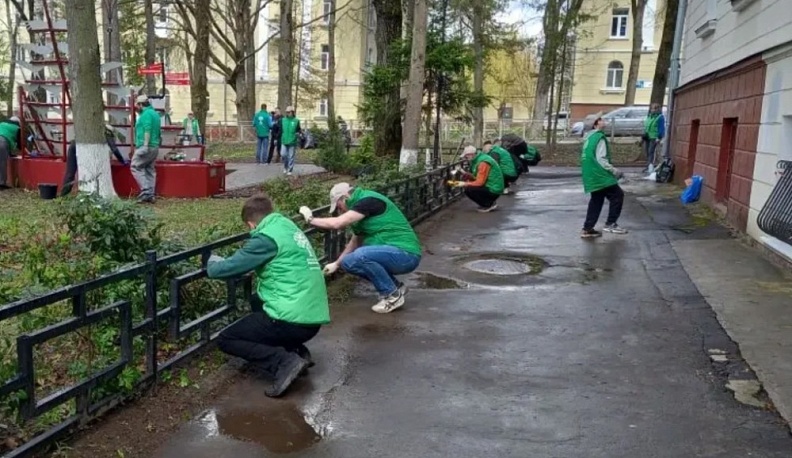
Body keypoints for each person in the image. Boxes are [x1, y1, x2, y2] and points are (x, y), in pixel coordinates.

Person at [207, 194, 329, 397]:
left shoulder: (266, 238)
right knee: (257, 301)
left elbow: (222, 270)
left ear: (251, 223)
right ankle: (296, 351)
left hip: (291, 320)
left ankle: (284, 362)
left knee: (226, 339)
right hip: (312, 316)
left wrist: (212, 260)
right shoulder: (287, 227)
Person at [298, 182, 422, 314]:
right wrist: (337, 263)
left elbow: (338, 223)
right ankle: (396, 287)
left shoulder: (367, 201)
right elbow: (355, 241)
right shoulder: (360, 213)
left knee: (360, 255)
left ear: (345, 197)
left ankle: (392, 296)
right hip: (396, 255)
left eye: (339, 206)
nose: (339, 210)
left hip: (406, 254)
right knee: (348, 262)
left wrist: (310, 219)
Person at [580, 117, 627, 238]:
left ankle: (587, 228)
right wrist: (615, 171)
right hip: (600, 174)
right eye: (600, 120)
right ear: (595, 125)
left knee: (596, 199)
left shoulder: (589, 138)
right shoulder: (599, 137)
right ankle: (611, 223)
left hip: (590, 173)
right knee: (617, 195)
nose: (603, 120)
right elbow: (601, 159)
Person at [60, 125, 128, 197]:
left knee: (70, 173)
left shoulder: (94, 130)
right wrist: (122, 161)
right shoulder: (107, 133)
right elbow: (114, 149)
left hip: (75, 145)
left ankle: (63, 195)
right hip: (84, 147)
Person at [454, 145, 504, 213]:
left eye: (466, 156)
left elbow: (480, 182)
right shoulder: (479, 159)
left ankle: (488, 204)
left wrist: (465, 183)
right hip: (492, 185)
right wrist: (464, 172)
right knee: (469, 186)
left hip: (494, 188)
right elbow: (477, 176)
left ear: (471, 154)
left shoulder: (483, 162)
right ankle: (489, 202)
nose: (466, 158)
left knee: (469, 189)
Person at [131, 95, 161, 203]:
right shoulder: (155, 114)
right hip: (155, 146)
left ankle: (146, 191)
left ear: (140, 105)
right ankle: (151, 194)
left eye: (136, 105)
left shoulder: (146, 115)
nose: (136, 108)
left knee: (135, 166)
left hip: (145, 145)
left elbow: (147, 129)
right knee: (149, 169)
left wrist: (145, 145)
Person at [642, 103, 665, 173]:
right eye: (652, 108)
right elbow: (646, 126)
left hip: (654, 137)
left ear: (658, 109)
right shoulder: (649, 116)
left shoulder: (660, 117)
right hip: (647, 136)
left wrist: (659, 137)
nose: (653, 110)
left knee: (651, 151)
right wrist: (644, 134)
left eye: (655, 108)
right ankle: (648, 165)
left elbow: (661, 128)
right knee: (647, 152)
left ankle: (650, 167)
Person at [0, 116, 22, 190]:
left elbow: (6, 134)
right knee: (2, 162)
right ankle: (1, 184)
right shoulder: (17, 128)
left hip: (2, 141)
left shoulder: (2, 123)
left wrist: (9, 153)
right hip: (1, 142)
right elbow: (20, 145)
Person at [280, 106, 301, 176]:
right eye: (286, 112)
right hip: (284, 140)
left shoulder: (296, 121)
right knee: (283, 154)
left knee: (291, 156)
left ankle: (290, 169)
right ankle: (285, 166)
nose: (287, 113)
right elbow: (280, 129)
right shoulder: (283, 120)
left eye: (289, 112)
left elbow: (298, 129)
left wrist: (298, 134)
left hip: (292, 141)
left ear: (292, 112)